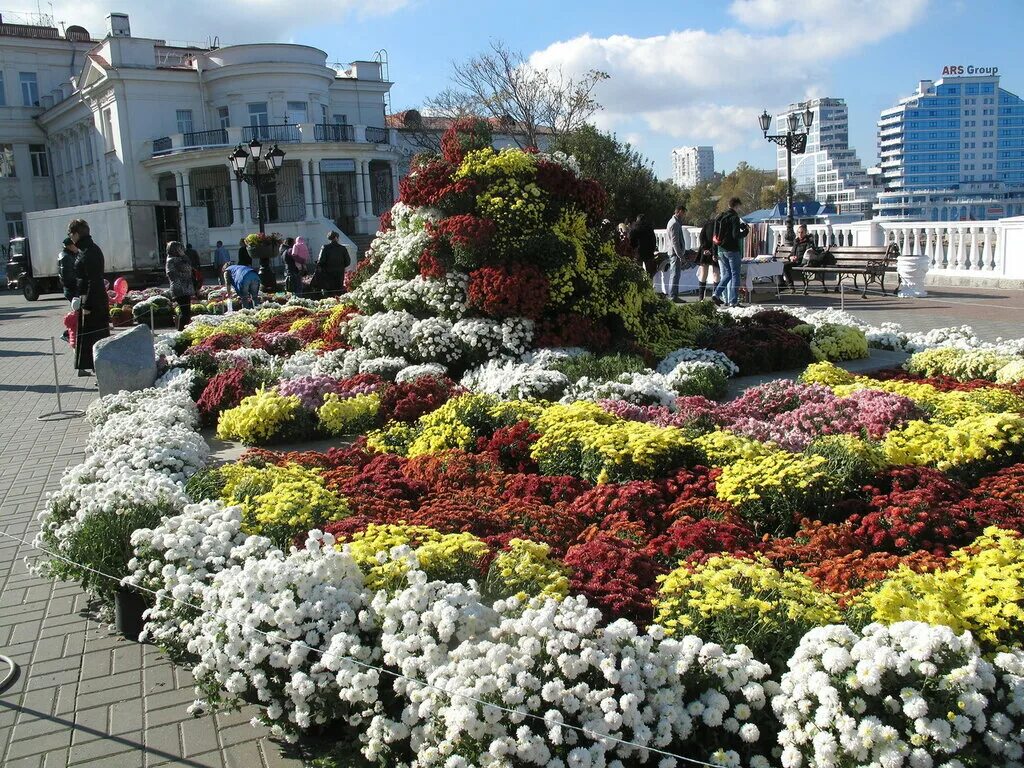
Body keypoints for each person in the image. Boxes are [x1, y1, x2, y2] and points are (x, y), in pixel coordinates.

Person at [68, 219, 110, 376]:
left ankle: (101, 371)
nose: (70, 237)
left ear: (77, 234)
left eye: (71, 234)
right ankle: (93, 368)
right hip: (88, 299)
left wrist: (88, 306)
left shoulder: (89, 251)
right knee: (89, 338)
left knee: (95, 338)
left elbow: (94, 280)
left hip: (94, 302)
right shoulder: (85, 250)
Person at [710, 197, 749, 308]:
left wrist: (715, 251)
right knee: (735, 274)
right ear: (736, 205)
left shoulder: (721, 216)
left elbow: (717, 234)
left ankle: (716, 294)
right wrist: (745, 232)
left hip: (721, 249)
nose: (739, 208)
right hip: (732, 250)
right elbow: (735, 235)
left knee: (727, 274)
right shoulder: (734, 217)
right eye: (739, 206)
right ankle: (733, 301)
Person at [165, 241, 195, 331]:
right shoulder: (174, 260)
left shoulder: (172, 259)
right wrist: (183, 256)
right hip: (181, 289)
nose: (183, 250)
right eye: (180, 249)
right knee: (185, 313)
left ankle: (182, 330)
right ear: (175, 250)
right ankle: (181, 332)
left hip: (182, 288)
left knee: (185, 312)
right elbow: (188, 267)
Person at [779, 224, 818, 293]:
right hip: (794, 261)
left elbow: (807, 253)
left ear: (805, 232)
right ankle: (781, 284)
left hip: (802, 262)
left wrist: (797, 258)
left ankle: (791, 287)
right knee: (779, 265)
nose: (800, 234)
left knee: (785, 266)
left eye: (802, 232)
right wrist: (790, 257)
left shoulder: (808, 242)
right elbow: (791, 253)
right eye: (799, 232)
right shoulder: (796, 241)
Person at [313, 231, 350, 296]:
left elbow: (321, 261)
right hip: (339, 273)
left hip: (328, 273)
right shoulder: (342, 248)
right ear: (336, 238)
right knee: (339, 291)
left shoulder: (325, 248)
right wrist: (341, 266)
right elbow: (348, 262)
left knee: (330, 292)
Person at [664, 204, 688, 300]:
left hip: (674, 253)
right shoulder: (674, 223)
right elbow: (675, 242)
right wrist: (680, 256)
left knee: (674, 274)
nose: (684, 215)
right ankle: (673, 296)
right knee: (675, 275)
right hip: (675, 253)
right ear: (679, 211)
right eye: (683, 213)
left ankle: (673, 295)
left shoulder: (674, 222)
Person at [696, 218, 721, 301]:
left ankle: (701, 297)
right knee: (716, 273)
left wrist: (704, 248)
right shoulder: (718, 225)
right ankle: (715, 296)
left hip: (704, 251)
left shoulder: (706, 224)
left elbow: (701, 237)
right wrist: (711, 251)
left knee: (703, 274)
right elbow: (717, 240)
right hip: (714, 251)